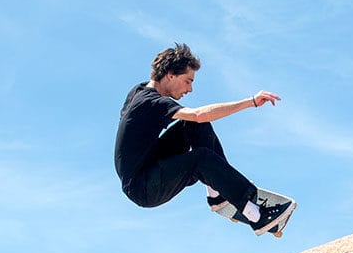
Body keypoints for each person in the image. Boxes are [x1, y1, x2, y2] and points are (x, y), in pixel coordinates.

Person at [113, 43, 291, 232]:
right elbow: (199, 114)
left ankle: (217, 195)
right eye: (187, 81)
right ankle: (256, 215)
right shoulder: (151, 102)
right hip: (145, 187)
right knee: (200, 153)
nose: (190, 89)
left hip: (150, 167)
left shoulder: (139, 91)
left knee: (195, 125)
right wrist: (251, 102)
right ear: (170, 75)